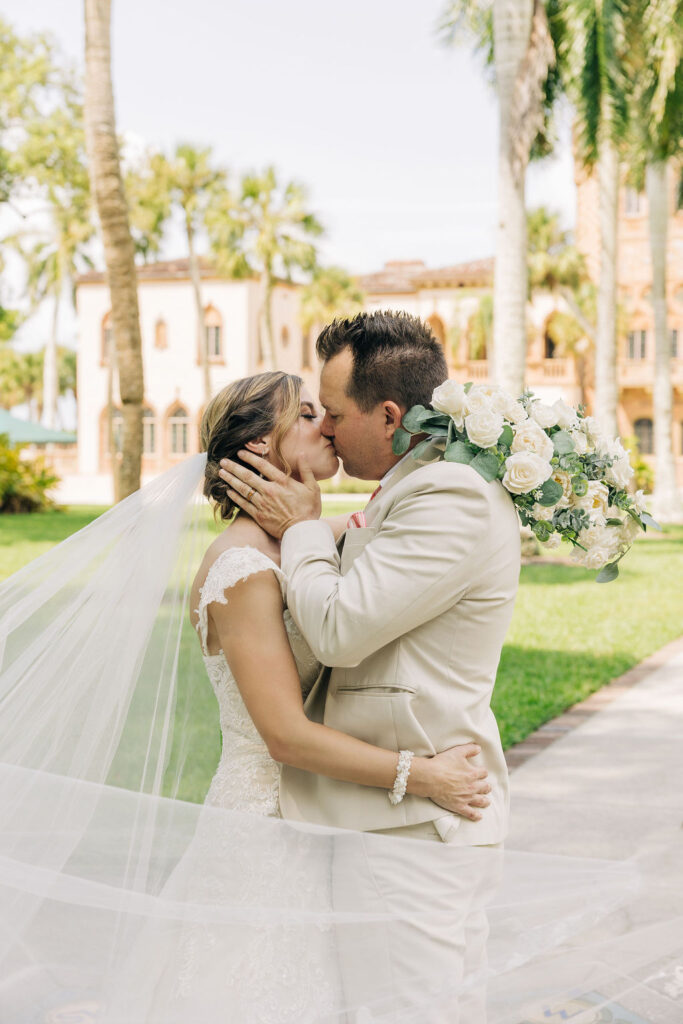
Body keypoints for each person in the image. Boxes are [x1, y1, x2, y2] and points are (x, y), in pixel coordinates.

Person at [217, 311, 521, 1020]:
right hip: (384, 812)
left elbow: (339, 630)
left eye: (334, 414)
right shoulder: (412, 489)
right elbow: (349, 552)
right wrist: (298, 528)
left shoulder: (445, 495)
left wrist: (297, 528)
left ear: (388, 415)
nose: (325, 430)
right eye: (311, 417)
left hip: (410, 831)